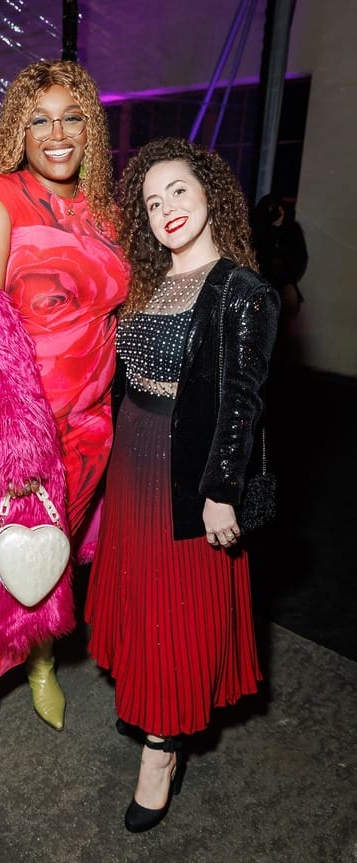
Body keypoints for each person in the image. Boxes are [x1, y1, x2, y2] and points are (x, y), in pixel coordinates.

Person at [0, 59, 129, 820]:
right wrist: (15, 454)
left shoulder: (106, 210)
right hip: (7, 442)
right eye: (38, 119)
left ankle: (42, 663)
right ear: (18, 129)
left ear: (90, 127)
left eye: (70, 117)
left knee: (53, 561)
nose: (56, 133)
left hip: (89, 430)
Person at [85, 138, 280, 833]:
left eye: (178, 190)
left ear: (209, 194)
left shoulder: (243, 290)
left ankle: (160, 752)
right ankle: (148, 704)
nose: (166, 207)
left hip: (189, 470)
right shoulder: (146, 283)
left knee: (175, 612)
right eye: (151, 201)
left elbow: (243, 401)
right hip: (132, 459)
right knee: (140, 599)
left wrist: (220, 489)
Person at [252, 193, 308, 367]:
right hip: (263, 282)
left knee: (288, 306)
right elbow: (256, 257)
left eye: (279, 209)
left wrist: (287, 278)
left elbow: (299, 259)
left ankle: (281, 357)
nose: (278, 213)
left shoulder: (292, 231)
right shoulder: (259, 232)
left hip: (283, 281)